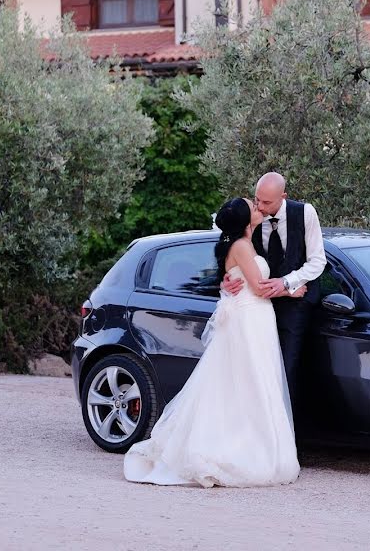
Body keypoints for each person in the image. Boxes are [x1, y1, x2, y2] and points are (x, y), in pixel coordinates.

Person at [123, 197, 304, 488]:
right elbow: (258, 288)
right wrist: (290, 289)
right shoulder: (242, 246)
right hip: (248, 319)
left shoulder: (241, 243)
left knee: (245, 383)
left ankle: (256, 444)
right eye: (253, 207)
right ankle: (246, 450)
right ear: (246, 221)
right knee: (251, 382)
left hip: (253, 318)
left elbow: (238, 279)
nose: (258, 208)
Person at [222, 172, 327, 411]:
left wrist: (287, 283)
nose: (259, 206)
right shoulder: (251, 220)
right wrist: (224, 280)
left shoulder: (305, 213)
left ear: (283, 197)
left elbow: (317, 261)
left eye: (266, 202)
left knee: (284, 370)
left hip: (295, 305)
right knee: (256, 372)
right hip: (255, 309)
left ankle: (282, 438)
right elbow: (230, 256)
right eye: (257, 200)